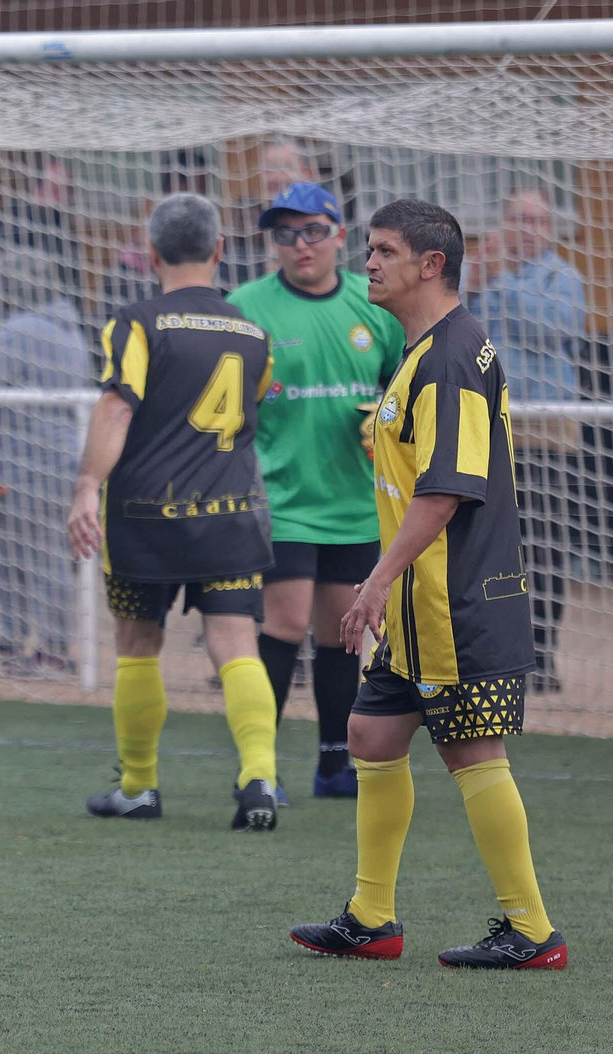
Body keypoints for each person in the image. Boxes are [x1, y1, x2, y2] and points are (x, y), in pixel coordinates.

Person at [289, 199, 566, 970]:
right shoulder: (430, 351)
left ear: (430, 264)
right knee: (372, 735)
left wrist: (374, 580)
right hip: (420, 605)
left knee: (474, 756)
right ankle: (372, 917)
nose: (368, 263)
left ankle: (533, 931)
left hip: (455, 602)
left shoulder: (449, 355)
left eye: (382, 251)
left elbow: (445, 493)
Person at [66, 193, 281, 832]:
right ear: (219, 251)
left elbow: (118, 405)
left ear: (152, 252)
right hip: (232, 510)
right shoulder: (254, 334)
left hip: (145, 512)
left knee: (137, 644)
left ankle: (138, 787)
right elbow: (252, 413)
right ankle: (260, 779)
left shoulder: (136, 323)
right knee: (237, 645)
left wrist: (85, 486)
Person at [226, 182, 405, 799]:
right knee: (287, 620)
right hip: (279, 498)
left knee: (340, 634)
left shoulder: (373, 304)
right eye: (284, 234)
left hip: (356, 501)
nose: (299, 245)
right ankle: (260, 767)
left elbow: (402, 390)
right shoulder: (244, 306)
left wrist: (382, 417)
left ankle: (334, 764)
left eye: (311, 231)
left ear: (337, 234)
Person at [467, 188, 588, 693]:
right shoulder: (478, 270)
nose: (527, 229)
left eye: (537, 220)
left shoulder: (566, 277)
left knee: (545, 547)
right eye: (518, 218)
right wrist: (474, 278)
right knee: (484, 545)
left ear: (551, 228)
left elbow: (550, 326)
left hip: (547, 429)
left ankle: (541, 654)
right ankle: (487, 648)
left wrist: (498, 282)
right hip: (486, 422)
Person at [0, 252, 89, 664]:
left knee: (23, 555)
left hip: (26, 460)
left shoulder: (22, 329)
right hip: (62, 458)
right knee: (46, 552)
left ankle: (22, 642)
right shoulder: (70, 330)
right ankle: (41, 643)